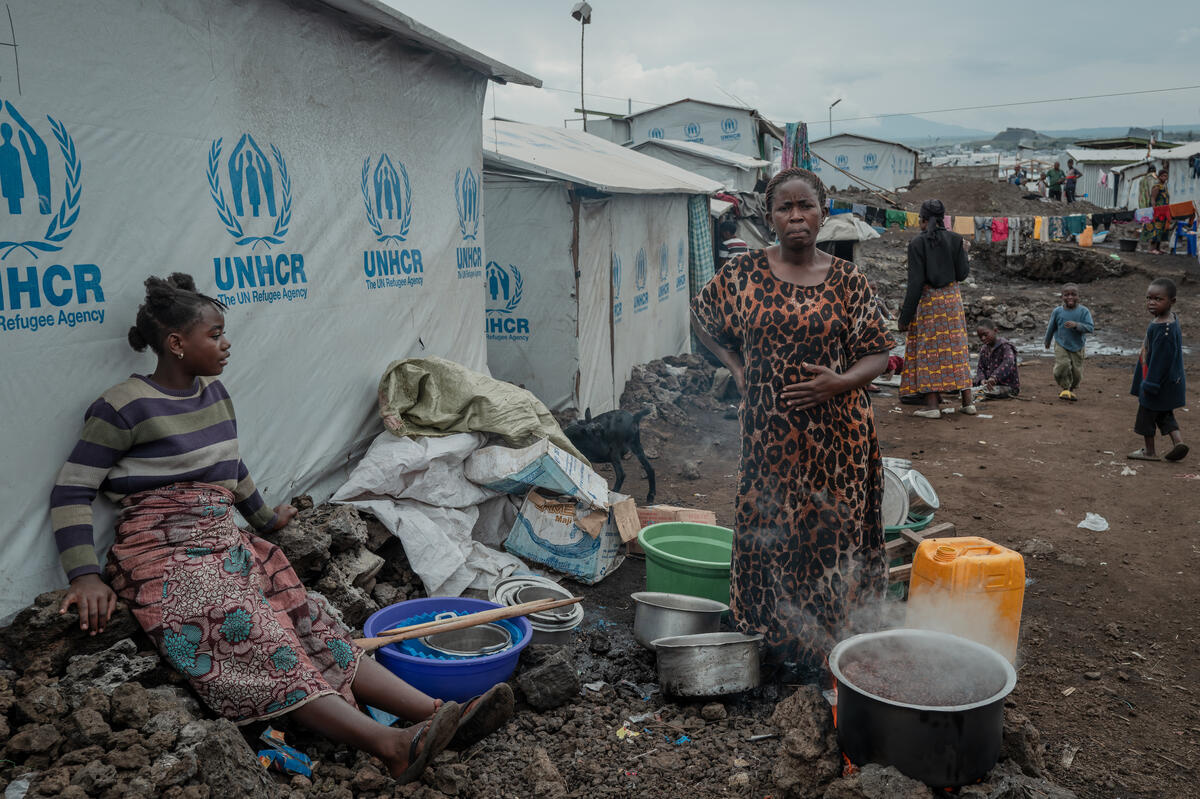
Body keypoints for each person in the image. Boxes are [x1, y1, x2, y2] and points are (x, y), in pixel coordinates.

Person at [51, 274, 511, 784]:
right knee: (263, 638)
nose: (226, 344)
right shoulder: (122, 405)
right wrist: (84, 576)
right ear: (176, 344)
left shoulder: (214, 393)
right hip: (162, 555)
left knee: (313, 622)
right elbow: (72, 490)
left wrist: (266, 520)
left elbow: (230, 465)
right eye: (215, 334)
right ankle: (389, 745)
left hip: (222, 540)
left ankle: (439, 713)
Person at [690, 167, 893, 680]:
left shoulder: (848, 281)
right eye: (786, 207)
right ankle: (775, 647)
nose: (797, 216)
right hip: (768, 437)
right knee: (771, 533)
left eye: (807, 206)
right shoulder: (742, 274)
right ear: (769, 214)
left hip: (839, 439)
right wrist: (736, 367)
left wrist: (838, 383)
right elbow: (701, 316)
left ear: (824, 212)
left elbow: (879, 353)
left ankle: (832, 652)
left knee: (832, 537)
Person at [897, 198, 975, 418]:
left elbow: (915, 284)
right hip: (952, 302)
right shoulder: (956, 240)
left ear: (922, 220)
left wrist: (905, 318)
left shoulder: (916, 244)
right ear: (943, 219)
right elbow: (961, 275)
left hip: (929, 303)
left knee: (929, 351)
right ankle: (968, 402)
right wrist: (965, 253)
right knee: (957, 349)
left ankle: (932, 407)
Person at [1128, 278, 1188, 461]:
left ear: (1172, 301)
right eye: (1149, 298)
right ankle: (1178, 443)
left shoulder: (1164, 330)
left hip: (1157, 381)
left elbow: (1161, 361)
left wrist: (1151, 383)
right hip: (1167, 381)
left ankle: (1149, 451)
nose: (1151, 303)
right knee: (1164, 412)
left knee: (1146, 414)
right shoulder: (1166, 320)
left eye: (1158, 299)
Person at [1042, 283, 1094, 401]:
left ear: (1078, 297)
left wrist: (1077, 325)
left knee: (1077, 372)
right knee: (1062, 365)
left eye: (1073, 294)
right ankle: (1065, 388)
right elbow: (1051, 326)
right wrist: (1047, 340)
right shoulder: (1057, 311)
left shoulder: (1083, 311)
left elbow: (1090, 328)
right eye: (1066, 295)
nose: (1070, 297)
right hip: (1061, 343)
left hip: (1078, 346)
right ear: (1062, 297)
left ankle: (1071, 389)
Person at [974, 318, 1020, 398]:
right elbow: (980, 367)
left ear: (995, 331)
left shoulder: (1005, 346)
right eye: (980, 336)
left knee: (982, 393)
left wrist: (994, 377)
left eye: (985, 334)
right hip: (990, 385)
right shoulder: (984, 349)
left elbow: (1008, 362)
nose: (983, 338)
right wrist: (982, 380)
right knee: (968, 386)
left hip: (1008, 386)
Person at [1141, 168, 1171, 254]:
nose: (1165, 178)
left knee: (1161, 230)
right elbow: (1153, 198)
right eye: (1163, 176)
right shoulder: (1156, 186)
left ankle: (1158, 248)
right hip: (1157, 212)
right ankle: (1151, 249)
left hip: (1163, 212)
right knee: (1155, 229)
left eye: (1166, 176)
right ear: (1159, 176)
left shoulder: (1164, 187)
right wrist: (1154, 209)